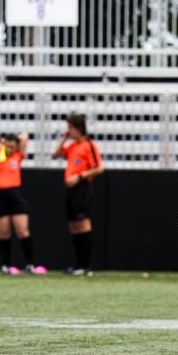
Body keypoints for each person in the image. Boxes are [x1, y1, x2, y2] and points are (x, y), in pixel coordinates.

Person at [0, 131, 44, 275]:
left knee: (23, 231)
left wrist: (12, 142)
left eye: (13, 146)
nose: (10, 148)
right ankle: (5, 265)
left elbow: (25, 135)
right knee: (4, 233)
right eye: (8, 145)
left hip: (15, 195)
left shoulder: (17, 155)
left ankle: (30, 264)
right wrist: (0, 140)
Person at [53, 113, 104, 276]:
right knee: (74, 226)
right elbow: (56, 154)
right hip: (71, 190)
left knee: (83, 224)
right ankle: (78, 265)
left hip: (82, 188)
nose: (68, 131)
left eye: (70, 128)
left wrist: (80, 176)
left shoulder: (89, 145)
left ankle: (86, 266)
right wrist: (64, 138)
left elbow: (99, 168)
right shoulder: (73, 145)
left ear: (78, 128)